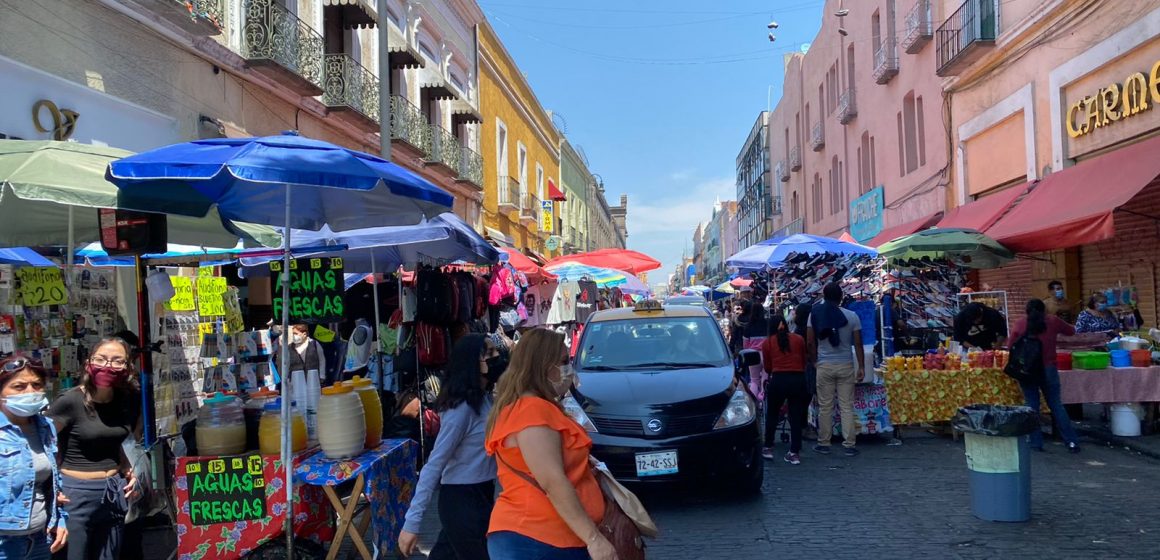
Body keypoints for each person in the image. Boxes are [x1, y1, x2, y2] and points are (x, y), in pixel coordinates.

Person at [484, 329, 614, 560]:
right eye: (564, 362)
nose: (568, 369)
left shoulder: (528, 407)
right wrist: (594, 539)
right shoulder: (532, 410)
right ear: (543, 365)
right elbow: (552, 481)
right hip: (539, 538)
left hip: (542, 537)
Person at [399, 335, 499, 559]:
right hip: (462, 501)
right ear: (473, 362)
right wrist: (412, 523)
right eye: (490, 353)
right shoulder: (461, 409)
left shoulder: (483, 399)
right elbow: (434, 465)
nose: (498, 357)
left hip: (480, 494)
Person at [47, 337, 141, 560]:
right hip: (74, 495)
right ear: (88, 362)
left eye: (117, 361)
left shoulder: (128, 399)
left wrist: (128, 468)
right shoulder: (69, 401)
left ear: (128, 367)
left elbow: (112, 442)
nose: (108, 366)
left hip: (113, 492)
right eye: (101, 359)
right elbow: (43, 445)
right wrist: (49, 489)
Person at [0, 356, 68, 559]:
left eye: (36, 385)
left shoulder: (45, 427)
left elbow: (53, 482)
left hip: (39, 539)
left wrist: (61, 519)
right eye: (19, 387)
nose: (30, 391)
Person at [1008, 299, 1081, 453]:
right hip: (1049, 368)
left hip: (1028, 370)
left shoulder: (1020, 323)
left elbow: (1010, 345)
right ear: (1044, 310)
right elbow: (1071, 331)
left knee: (1032, 405)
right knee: (1056, 405)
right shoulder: (1053, 321)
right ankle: (1071, 441)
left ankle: (1036, 443)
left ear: (1027, 311)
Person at [807, 282, 865, 457]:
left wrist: (814, 361)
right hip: (846, 364)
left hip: (824, 365)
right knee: (846, 406)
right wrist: (861, 366)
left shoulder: (814, 314)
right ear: (841, 297)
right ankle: (849, 444)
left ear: (824, 296)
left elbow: (810, 341)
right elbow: (858, 343)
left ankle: (824, 442)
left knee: (825, 406)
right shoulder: (852, 316)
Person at [759, 314, 810, 465]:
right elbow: (803, 360)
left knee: (773, 414)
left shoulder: (767, 343)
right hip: (797, 379)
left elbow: (768, 367)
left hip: (778, 380)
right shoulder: (799, 339)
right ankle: (794, 452)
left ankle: (768, 447)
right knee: (795, 415)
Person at [276, 324, 326, 444]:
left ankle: (317, 429)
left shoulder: (314, 344)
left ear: (304, 334)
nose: (294, 336)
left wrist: (322, 376)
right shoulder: (289, 347)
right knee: (301, 406)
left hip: (313, 380)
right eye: (293, 334)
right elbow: (285, 364)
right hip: (296, 382)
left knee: (314, 406)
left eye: (296, 334)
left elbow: (322, 359)